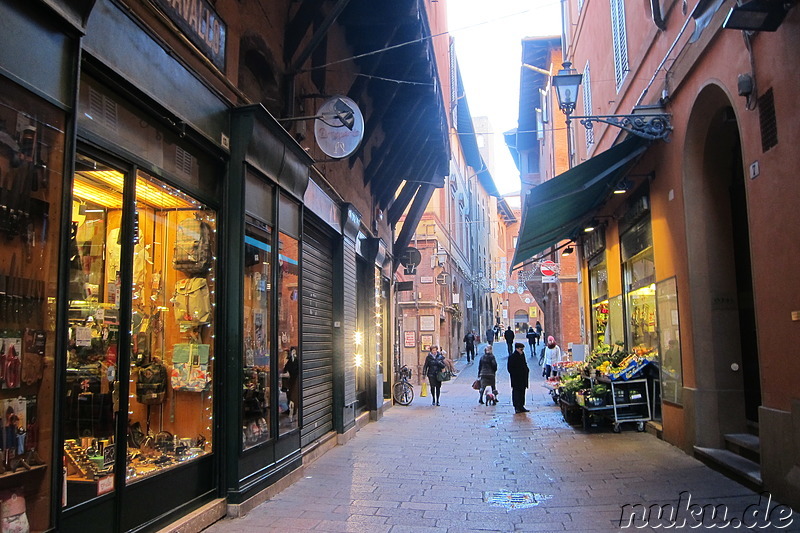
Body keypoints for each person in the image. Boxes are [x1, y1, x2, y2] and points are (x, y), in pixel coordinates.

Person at [507, 342, 530, 413]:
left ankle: (521, 406)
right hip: (516, 378)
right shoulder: (512, 357)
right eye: (521, 349)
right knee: (516, 392)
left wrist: (527, 370)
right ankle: (517, 406)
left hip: (523, 378)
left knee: (522, 392)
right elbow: (510, 368)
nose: (522, 351)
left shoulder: (522, 355)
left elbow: (524, 364)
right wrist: (515, 374)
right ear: (517, 349)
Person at [282, 346, 299, 420]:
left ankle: (294, 410)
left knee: (293, 396)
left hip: (295, 379)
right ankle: (290, 409)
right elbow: (286, 368)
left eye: (294, 351)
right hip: (290, 380)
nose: (293, 353)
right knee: (289, 395)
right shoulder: (290, 360)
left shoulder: (297, 360)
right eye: (292, 351)